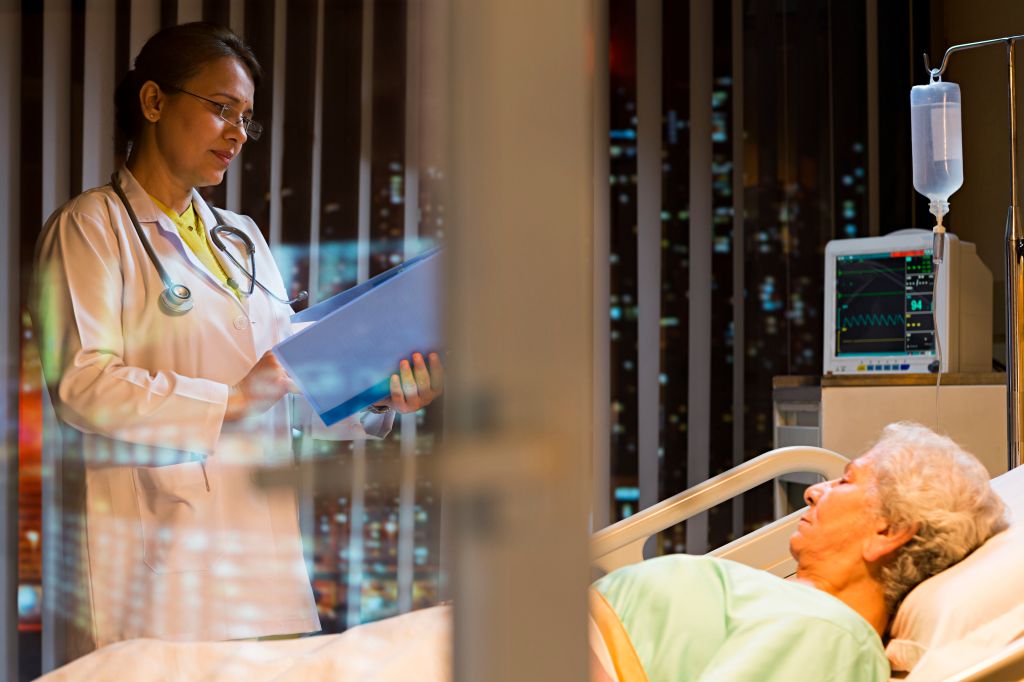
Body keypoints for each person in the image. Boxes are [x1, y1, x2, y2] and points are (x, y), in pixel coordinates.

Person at [31, 22, 442, 661]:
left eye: (246, 119)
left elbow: (289, 376)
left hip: (263, 563)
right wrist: (230, 400)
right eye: (223, 109)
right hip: (158, 569)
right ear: (154, 102)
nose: (237, 134)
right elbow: (82, 386)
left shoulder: (241, 237)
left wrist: (377, 396)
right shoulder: (90, 227)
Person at [590, 422, 1008, 681]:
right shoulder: (805, 612)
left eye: (845, 482)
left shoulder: (833, 634)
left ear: (890, 531)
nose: (812, 491)